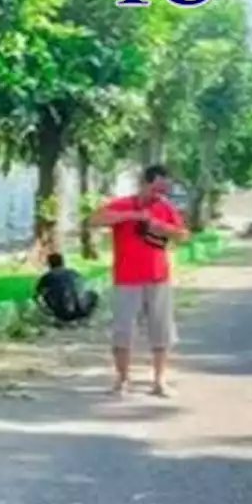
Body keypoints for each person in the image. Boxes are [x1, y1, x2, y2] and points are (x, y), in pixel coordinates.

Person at [88, 164, 189, 397]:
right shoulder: (123, 204)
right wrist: (131, 216)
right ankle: (122, 379)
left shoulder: (165, 207)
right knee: (123, 329)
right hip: (127, 278)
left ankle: (159, 380)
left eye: (163, 189)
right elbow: (94, 219)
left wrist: (161, 227)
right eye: (157, 187)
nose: (160, 193)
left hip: (158, 277)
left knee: (161, 329)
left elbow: (183, 234)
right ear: (146, 183)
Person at [34, 252, 99, 325]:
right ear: (62, 262)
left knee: (45, 294)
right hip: (81, 312)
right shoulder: (72, 273)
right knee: (93, 294)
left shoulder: (46, 277)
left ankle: (57, 318)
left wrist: (46, 310)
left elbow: (37, 295)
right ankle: (87, 319)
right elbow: (83, 286)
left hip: (62, 315)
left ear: (49, 264)